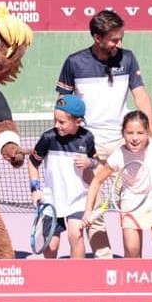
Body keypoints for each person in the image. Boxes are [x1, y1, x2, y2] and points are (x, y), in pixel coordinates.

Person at [57, 9, 152, 259]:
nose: (119, 43)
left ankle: (132, 264)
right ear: (97, 37)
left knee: (133, 200)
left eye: (121, 38)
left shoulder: (128, 58)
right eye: (114, 39)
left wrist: (151, 131)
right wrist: (63, 138)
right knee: (91, 205)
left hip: (122, 142)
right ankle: (104, 259)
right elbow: (63, 102)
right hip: (87, 144)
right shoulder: (74, 62)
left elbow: (141, 96)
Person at [84, 111, 152, 259]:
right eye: (130, 133)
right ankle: (134, 282)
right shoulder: (117, 156)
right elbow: (96, 181)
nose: (135, 138)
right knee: (132, 250)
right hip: (130, 203)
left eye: (140, 133)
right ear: (123, 133)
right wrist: (88, 211)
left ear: (148, 133)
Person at [27, 95, 97, 258]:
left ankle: (78, 278)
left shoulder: (87, 138)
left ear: (78, 121)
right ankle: (52, 280)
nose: (57, 125)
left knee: (76, 235)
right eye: (55, 120)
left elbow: (96, 160)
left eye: (62, 122)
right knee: (51, 246)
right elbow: (32, 163)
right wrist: (35, 190)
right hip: (52, 199)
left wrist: (89, 162)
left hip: (77, 199)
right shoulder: (48, 138)